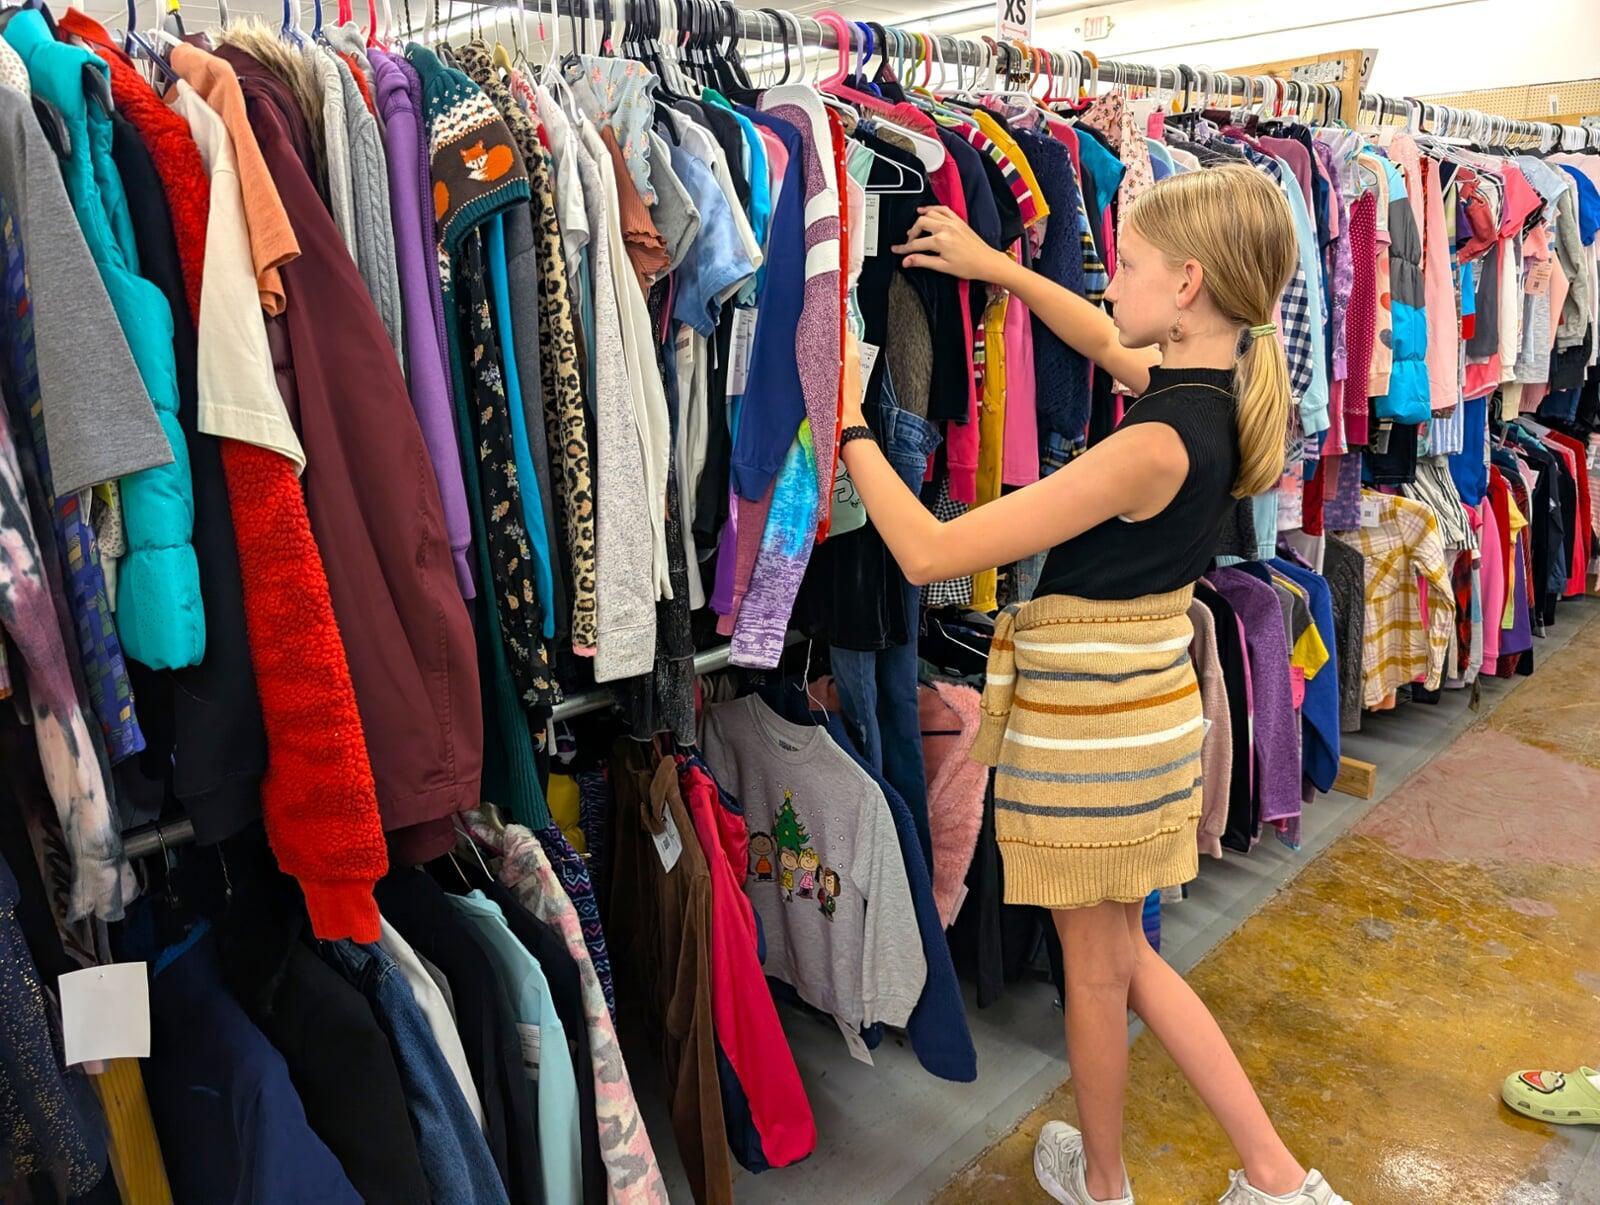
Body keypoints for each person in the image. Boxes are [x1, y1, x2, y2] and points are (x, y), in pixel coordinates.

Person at [838, 165, 1346, 1205]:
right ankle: (1275, 1177)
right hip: (1142, 705)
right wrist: (998, 270)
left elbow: (933, 550)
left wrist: (848, 421)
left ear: (1187, 283)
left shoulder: (1149, 443)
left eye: (1127, 264)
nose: (1109, 281)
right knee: (1122, 958)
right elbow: (1102, 339)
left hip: (1086, 729)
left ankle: (1110, 1184)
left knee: (1101, 964)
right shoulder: (1211, 393)